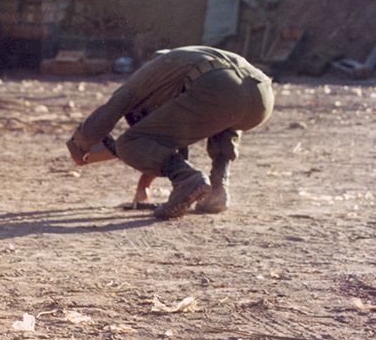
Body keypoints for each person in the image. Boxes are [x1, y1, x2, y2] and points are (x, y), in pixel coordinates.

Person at [66, 46, 274, 220]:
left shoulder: (153, 69)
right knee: (223, 121)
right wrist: (142, 190)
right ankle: (218, 191)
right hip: (262, 96)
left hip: (220, 86)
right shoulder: (192, 61)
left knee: (128, 143)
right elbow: (163, 144)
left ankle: (189, 180)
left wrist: (79, 145)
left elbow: (114, 107)